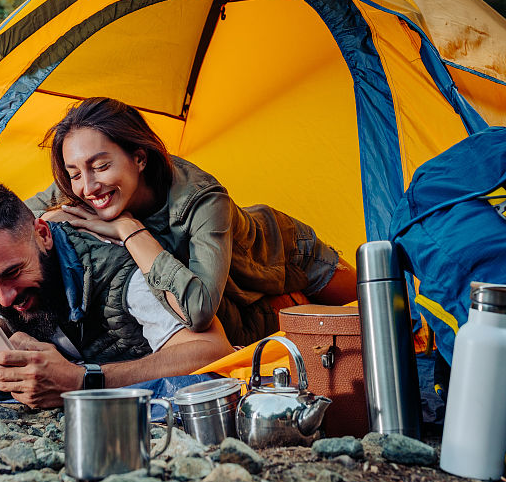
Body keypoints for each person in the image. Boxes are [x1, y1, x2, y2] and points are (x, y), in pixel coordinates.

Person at [25, 97, 357, 347]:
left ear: (139, 157)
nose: (88, 187)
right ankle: (292, 307)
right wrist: (50, 217)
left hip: (285, 254)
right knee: (317, 339)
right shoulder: (81, 188)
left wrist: (129, 230)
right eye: (74, 174)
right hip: (232, 294)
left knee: (380, 316)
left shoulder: (203, 200)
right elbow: (12, 221)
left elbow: (197, 312)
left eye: (100, 166)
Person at [0, 181, 234, 408]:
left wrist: (82, 380)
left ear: (43, 235)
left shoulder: (124, 273)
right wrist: (15, 372)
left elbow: (210, 348)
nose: (3, 298)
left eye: (12, 273)